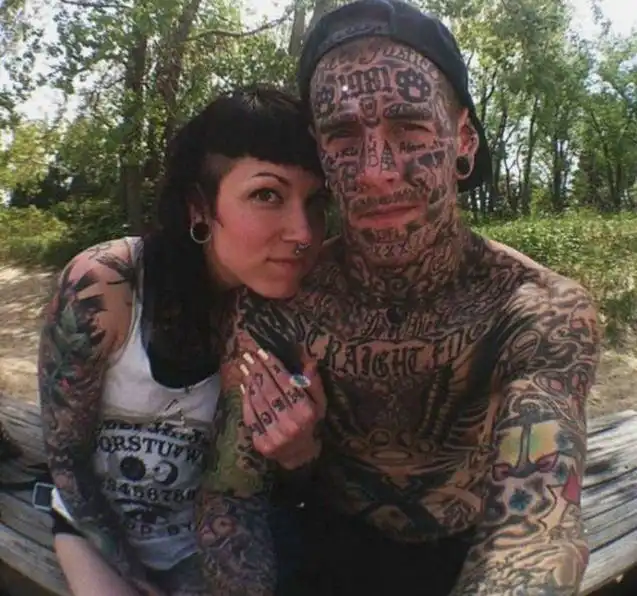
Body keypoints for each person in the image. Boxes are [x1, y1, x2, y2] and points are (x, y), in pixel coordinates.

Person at [196, 2, 601, 595]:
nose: (376, 171)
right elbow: (231, 498)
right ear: (319, 151)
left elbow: (535, 530)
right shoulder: (279, 304)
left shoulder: (536, 312)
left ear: (463, 140)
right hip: (325, 547)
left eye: (410, 130)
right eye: (342, 136)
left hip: (472, 551)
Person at [37, 86, 328, 596]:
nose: (303, 233)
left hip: (195, 543)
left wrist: (299, 456)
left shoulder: (273, 318)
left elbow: (233, 498)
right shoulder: (106, 288)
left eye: (316, 201)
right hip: (94, 527)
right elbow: (67, 462)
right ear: (199, 206)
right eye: (267, 195)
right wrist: (132, 576)